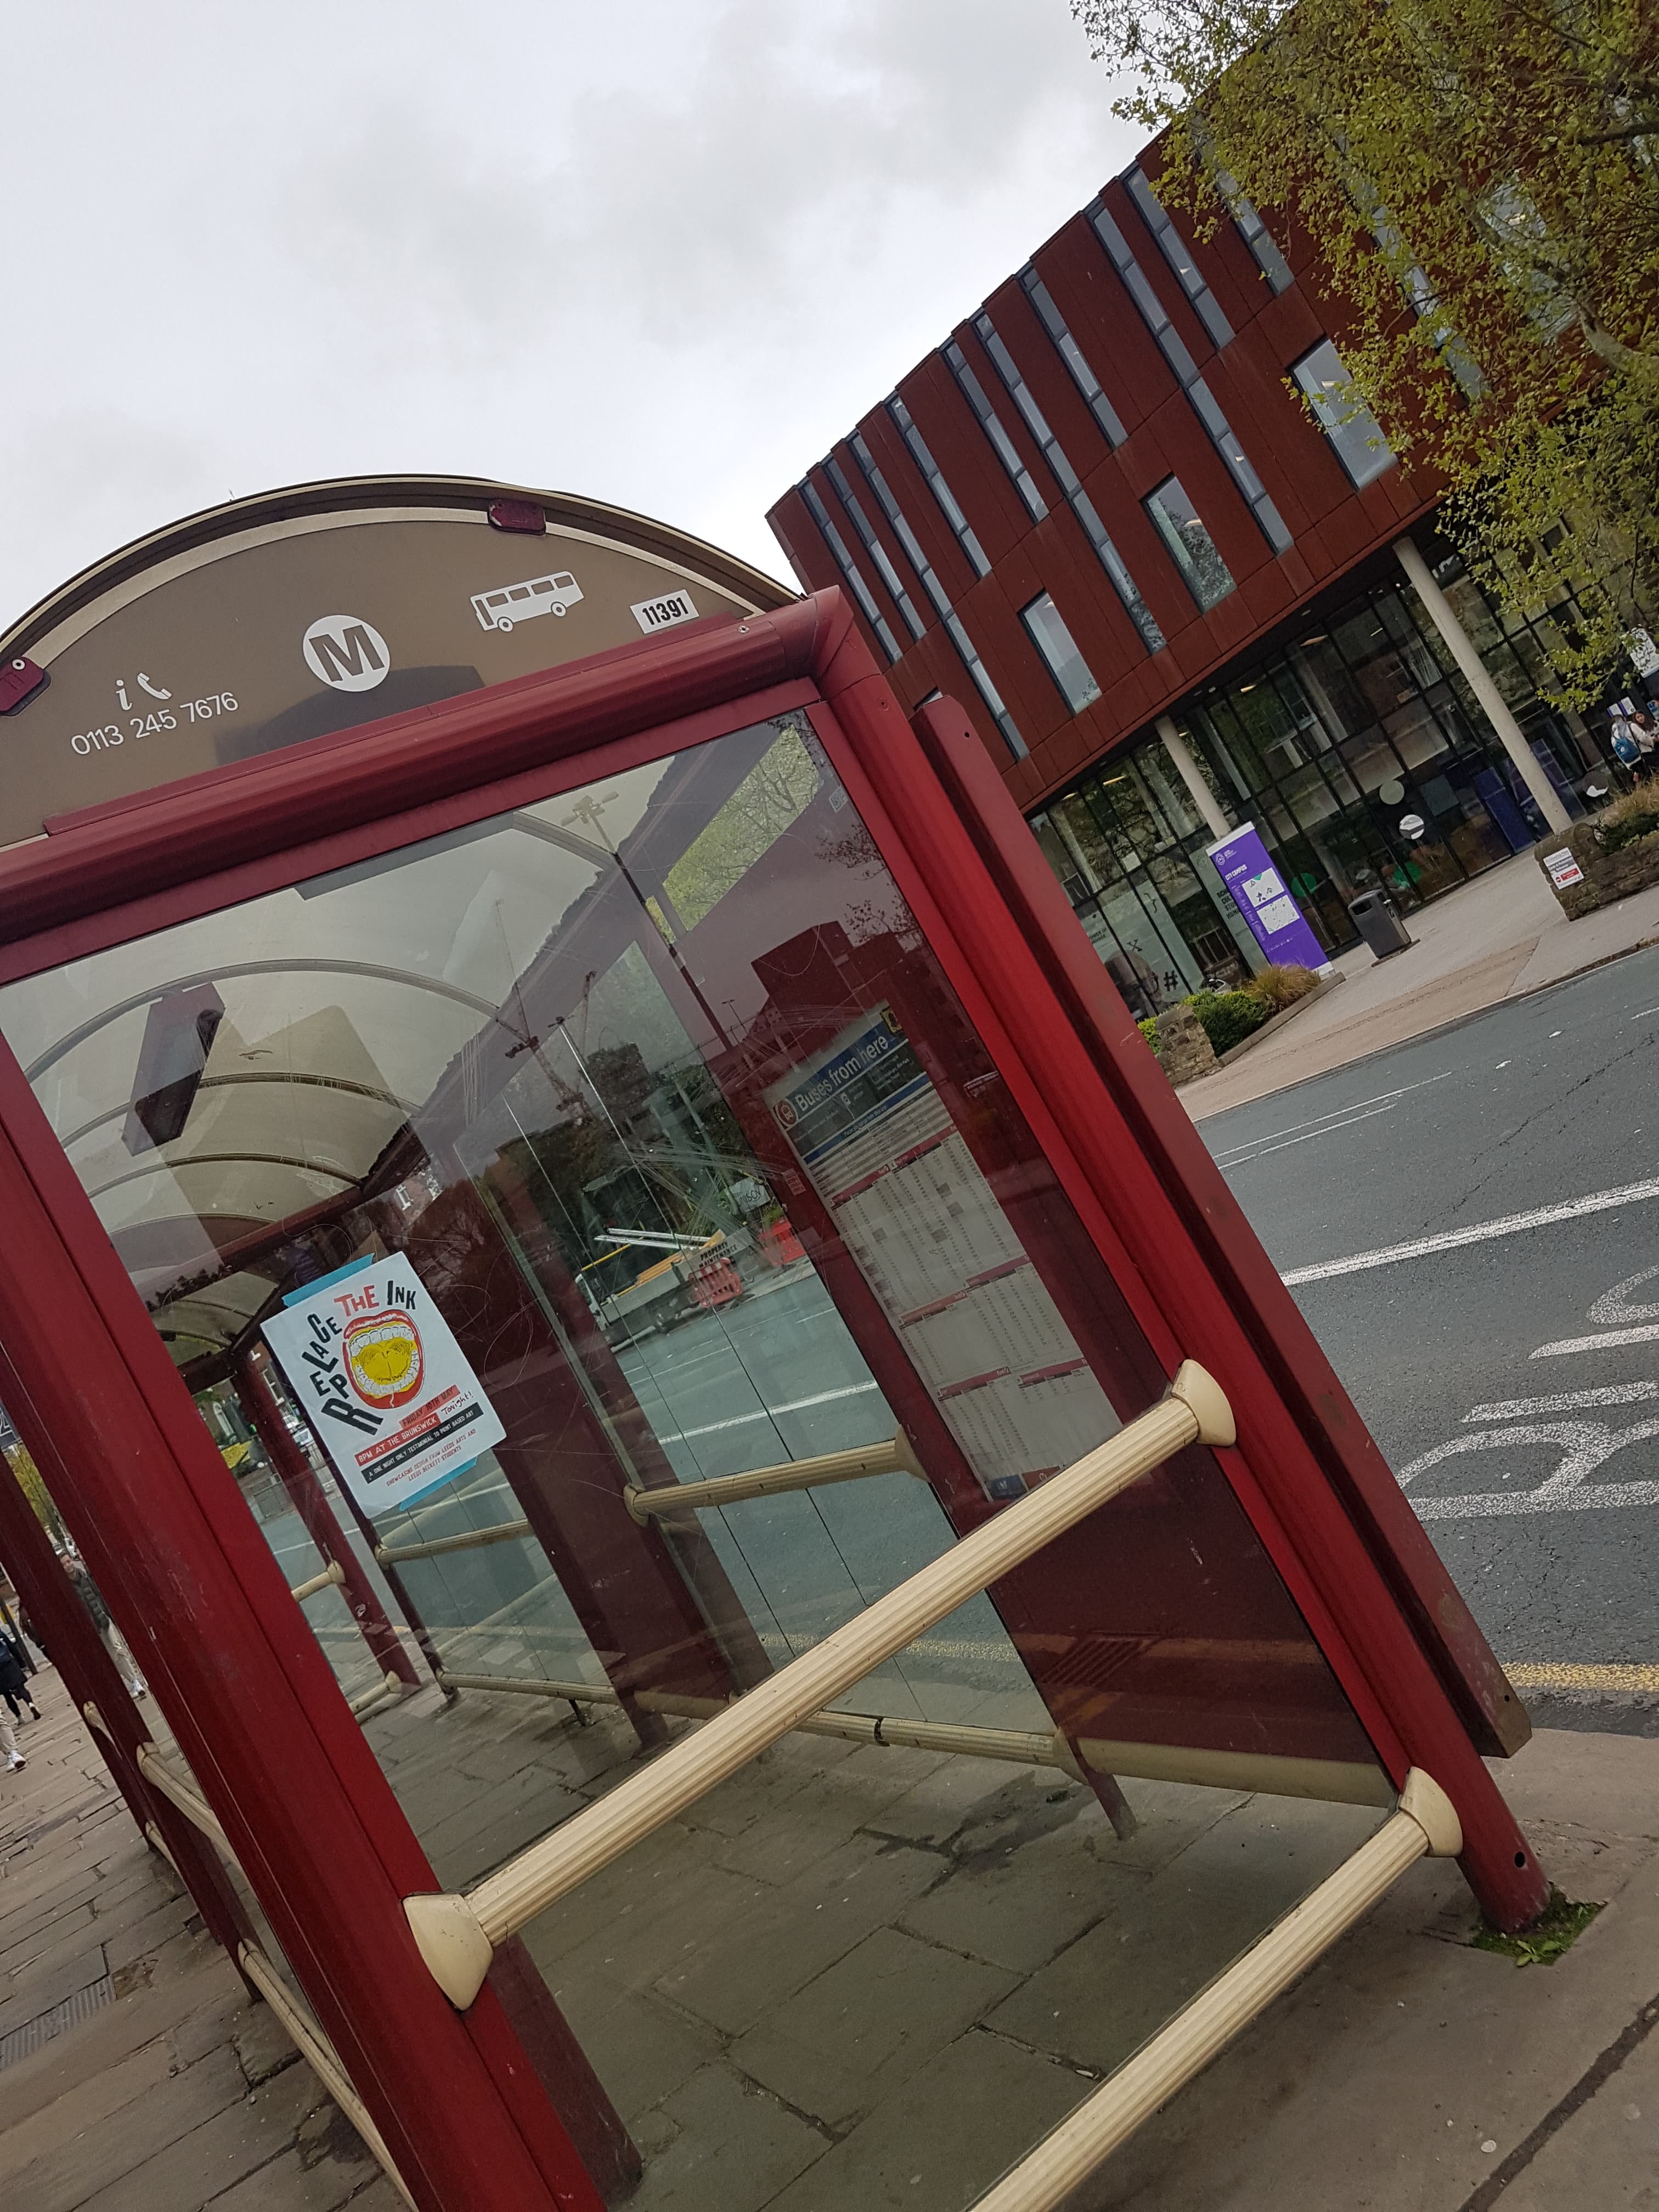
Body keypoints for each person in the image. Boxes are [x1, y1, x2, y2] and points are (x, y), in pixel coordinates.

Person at [61, 1551, 148, 1699]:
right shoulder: (68, 1587)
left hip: (104, 1619)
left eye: (69, 1561)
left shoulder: (85, 1577)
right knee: (113, 1656)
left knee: (118, 1649)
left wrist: (108, 1613)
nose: (68, 1566)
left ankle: (136, 1682)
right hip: (94, 1627)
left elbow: (98, 1595)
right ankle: (131, 1681)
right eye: (64, 1564)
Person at [0, 1626, 39, 1725]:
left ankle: (19, 1717)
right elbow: (12, 1647)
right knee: (21, 1687)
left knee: (7, 1695)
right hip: (9, 1664)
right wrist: (22, 1663)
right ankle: (30, 1704)